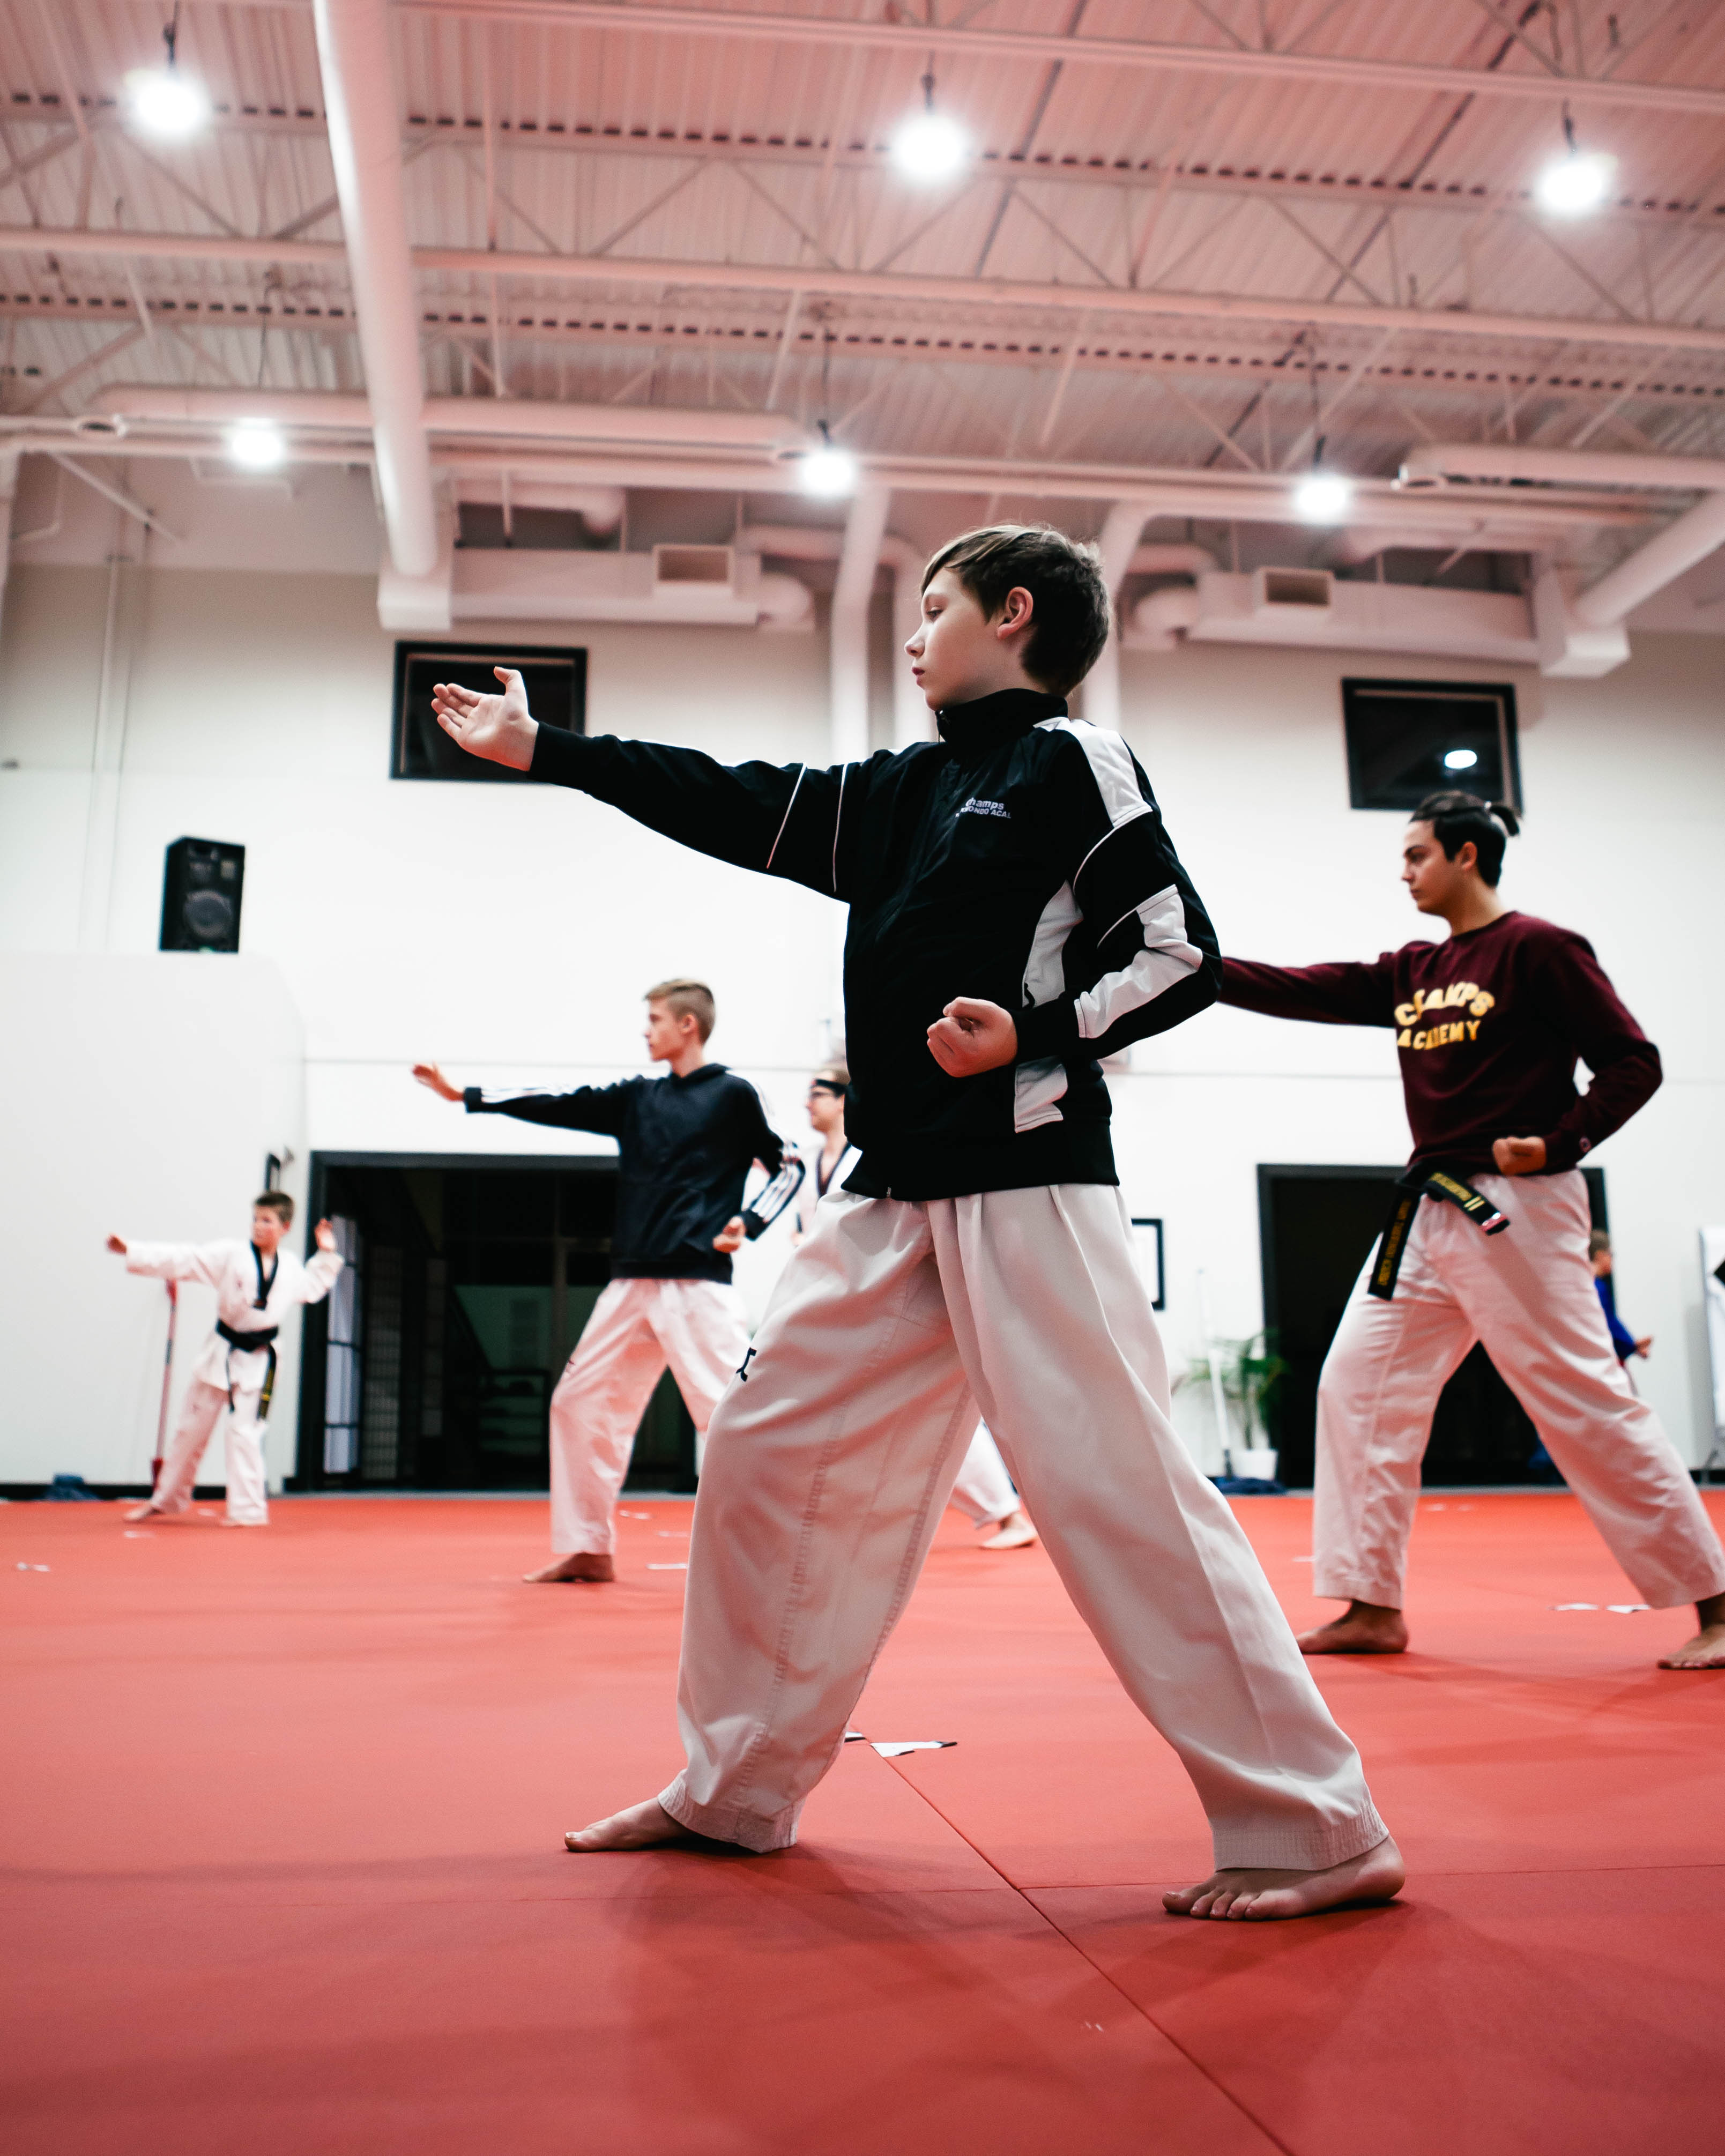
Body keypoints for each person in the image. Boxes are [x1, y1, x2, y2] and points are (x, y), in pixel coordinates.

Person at [429, 522, 1402, 1922]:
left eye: (934, 604)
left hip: (1027, 1184)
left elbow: (1181, 950)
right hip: (892, 1193)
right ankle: (736, 1786)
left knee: (1118, 1492)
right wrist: (552, 751)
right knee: (764, 1455)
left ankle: (1317, 1825)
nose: (911, 627)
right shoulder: (897, 790)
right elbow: (728, 796)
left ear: (1016, 615)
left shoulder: (1072, 758)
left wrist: (1033, 1033)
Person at [1220, 791, 1725, 1673]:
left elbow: (1632, 1061)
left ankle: (1717, 1601)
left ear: (1463, 854)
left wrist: (1560, 1141)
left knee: (1580, 1403)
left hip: (1516, 1206)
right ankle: (1370, 1604)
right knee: (1356, 1387)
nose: (1403, 872)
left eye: (1415, 855)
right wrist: (1198, 970)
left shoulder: (1537, 948)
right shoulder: (1414, 965)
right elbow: (1308, 987)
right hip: (1426, 1210)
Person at [413, 981, 800, 1582]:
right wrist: (465, 1094)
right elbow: (559, 1100)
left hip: (696, 1285)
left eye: (654, 1020)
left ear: (688, 1025)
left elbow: (790, 1163)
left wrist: (748, 1223)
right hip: (628, 1285)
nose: (645, 1031)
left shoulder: (733, 1094)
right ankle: (588, 1546)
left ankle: (783, 1547)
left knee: (731, 1415)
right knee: (576, 1402)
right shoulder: (636, 1098)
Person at [801, 1061, 1036, 1551]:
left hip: (893, 1285)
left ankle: (1006, 1511)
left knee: (924, 1402)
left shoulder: (871, 1151)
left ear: (845, 1098)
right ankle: (838, 1514)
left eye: (818, 1093)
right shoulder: (811, 1161)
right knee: (870, 1407)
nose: (809, 1102)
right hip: (842, 1289)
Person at [109, 1193, 341, 1527]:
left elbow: (313, 1286)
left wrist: (327, 1252)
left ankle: (248, 1511)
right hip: (222, 1350)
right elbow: (186, 1259)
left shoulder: (290, 1267)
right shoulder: (231, 1255)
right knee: (190, 1430)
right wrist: (133, 1250)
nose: (259, 1227)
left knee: (245, 1433)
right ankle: (166, 1500)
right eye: (256, 1219)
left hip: (264, 1358)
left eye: (267, 1221)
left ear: (285, 1227)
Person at [1590, 1229, 1652, 1364]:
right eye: (1610, 1254)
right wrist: (1632, 1345)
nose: (1612, 1259)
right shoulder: (1596, 1287)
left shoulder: (1584, 1284)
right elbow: (1608, 1323)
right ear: (1600, 1255)